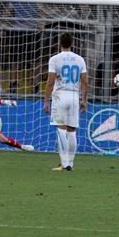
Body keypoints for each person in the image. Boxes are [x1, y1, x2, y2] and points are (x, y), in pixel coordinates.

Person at [43, 33, 88, 171]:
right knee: (72, 130)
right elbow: (85, 82)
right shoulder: (80, 59)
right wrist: (84, 100)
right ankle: (71, 163)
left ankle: (64, 163)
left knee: (61, 128)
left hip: (60, 95)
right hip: (74, 95)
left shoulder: (55, 59)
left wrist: (46, 100)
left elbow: (50, 82)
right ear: (72, 43)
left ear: (60, 44)